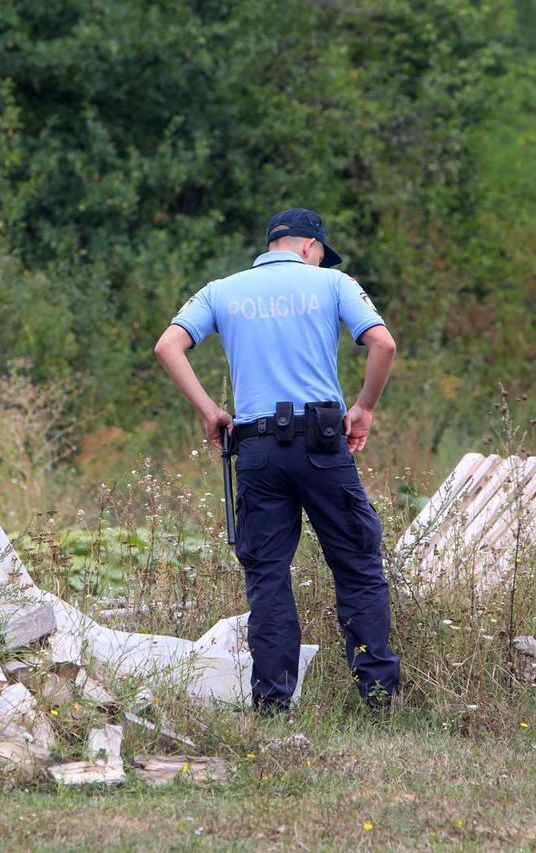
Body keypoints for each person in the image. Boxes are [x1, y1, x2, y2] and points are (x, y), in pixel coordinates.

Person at [154, 208, 400, 713]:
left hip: (258, 449)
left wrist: (211, 411)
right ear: (309, 247)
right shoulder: (332, 283)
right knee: (356, 565)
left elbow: (168, 346)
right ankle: (378, 697)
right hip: (322, 442)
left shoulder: (222, 290)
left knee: (267, 575)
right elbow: (383, 343)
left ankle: (272, 704)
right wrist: (365, 407)